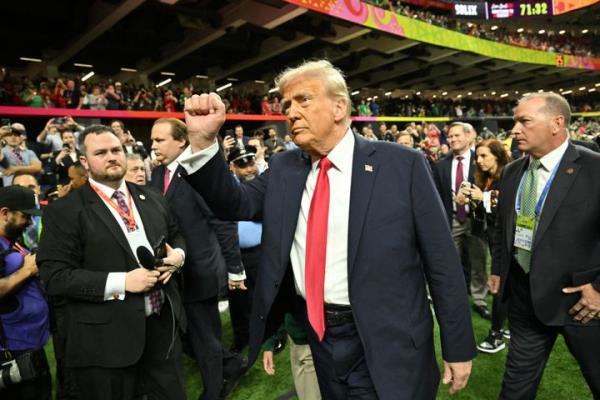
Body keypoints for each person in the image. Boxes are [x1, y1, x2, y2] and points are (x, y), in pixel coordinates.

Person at [179, 60, 475, 399]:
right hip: (319, 335)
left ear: (339, 107)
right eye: (286, 104)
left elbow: (442, 262)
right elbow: (235, 203)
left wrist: (457, 345)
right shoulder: (284, 167)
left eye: (303, 100)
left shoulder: (402, 164)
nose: (290, 112)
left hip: (388, 338)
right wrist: (203, 141)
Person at [37, 125, 187, 400]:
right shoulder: (66, 211)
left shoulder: (151, 196)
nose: (111, 157)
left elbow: (175, 233)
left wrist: (178, 256)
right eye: (101, 152)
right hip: (108, 343)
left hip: (162, 328)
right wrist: (122, 282)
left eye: (116, 149)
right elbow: (54, 276)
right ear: (84, 161)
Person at [491, 92, 600, 399]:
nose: (514, 129)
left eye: (524, 121)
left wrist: (599, 289)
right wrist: (500, 268)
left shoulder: (594, 169)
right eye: (515, 121)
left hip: (583, 304)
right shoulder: (513, 172)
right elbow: (503, 228)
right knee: (515, 389)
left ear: (557, 123)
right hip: (527, 301)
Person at [149, 118, 247, 400]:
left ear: (181, 141)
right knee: (186, 334)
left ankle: (215, 389)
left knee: (204, 335)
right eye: (152, 140)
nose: (153, 145)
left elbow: (223, 223)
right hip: (173, 272)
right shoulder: (157, 175)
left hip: (201, 269)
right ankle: (231, 363)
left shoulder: (198, 173)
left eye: (159, 140)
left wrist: (234, 267)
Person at [455, 139, 512, 353]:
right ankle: (508, 326)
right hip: (493, 236)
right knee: (505, 284)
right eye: (477, 157)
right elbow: (485, 211)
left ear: (497, 155)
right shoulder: (485, 178)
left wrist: (485, 197)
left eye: (484, 156)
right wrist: (469, 199)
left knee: (499, 283)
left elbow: (510, 204)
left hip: (507, 238)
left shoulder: (509, 173)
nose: (478, 161)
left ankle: (496, 334)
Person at [433, 122, 490, 320]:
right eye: (450, 137)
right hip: (452, 220)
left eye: (457, 136)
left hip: (476, 221)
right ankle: (455, 298)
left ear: (468, 137)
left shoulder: (481, 161)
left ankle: (480, 300)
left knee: (478, 261)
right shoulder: (441, 164)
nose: (453, 140)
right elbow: (438, 196)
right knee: (450, 262)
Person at [0, 186, 50, 400]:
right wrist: (27, 270)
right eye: (25, 216)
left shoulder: (12, 242)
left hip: (31, 345)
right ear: (4, 213)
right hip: (11, 351)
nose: (30, 222)